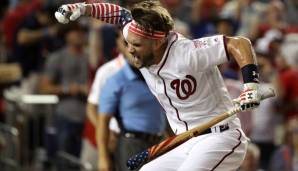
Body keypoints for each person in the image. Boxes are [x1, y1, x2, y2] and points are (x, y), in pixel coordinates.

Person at [55, 1, 262, 170]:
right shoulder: (137, 33)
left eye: (136, 45)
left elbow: (239, 44)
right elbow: (119, 14)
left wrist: (250, 86)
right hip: (184, 140)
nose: (130, 50)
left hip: (220, 136)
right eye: (128, 43)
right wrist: (81, 8)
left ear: (157, 42)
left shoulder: (187, 52)